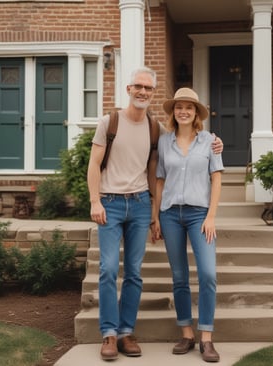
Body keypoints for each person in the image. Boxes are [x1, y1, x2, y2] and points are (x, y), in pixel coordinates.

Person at [87, 67, 223, 361]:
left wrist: (152, 212)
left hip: (142, 205)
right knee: (110, 269)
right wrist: (95, 200)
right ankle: (110, 335)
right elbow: (96, 164)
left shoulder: (159, 130)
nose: (143, 92)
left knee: (135, 273)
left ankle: (127, 332)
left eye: (148, 88)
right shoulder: (112, 123)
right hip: (112, 204)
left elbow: (162, 173)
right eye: (138, 86)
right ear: (128, 89)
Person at [151, 88, 224, 362]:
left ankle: (206, 337)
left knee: (207, 274)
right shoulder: (163, 142)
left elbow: (216, 178)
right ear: (173, 112)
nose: (183, 111)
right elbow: (159, 180)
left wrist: (211, 216)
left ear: (196, 114)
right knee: (179, 277)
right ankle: (186, 333)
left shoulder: (210, 142)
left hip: (199, 215)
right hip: (170, 214)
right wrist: (155, 216)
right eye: (179, 107)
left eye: (189, 108)